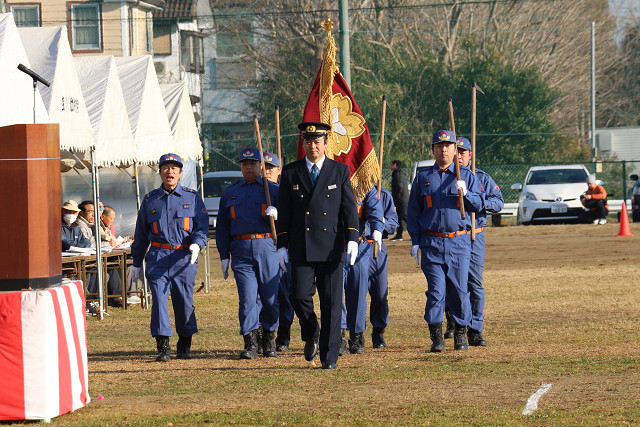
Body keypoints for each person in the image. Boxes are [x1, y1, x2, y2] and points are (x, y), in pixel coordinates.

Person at [276, 121, 359, 370]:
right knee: (299, 296)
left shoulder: (339, 171)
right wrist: (282, 244)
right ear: (303, 144)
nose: (313, 146)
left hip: (331, 247)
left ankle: (329, 357)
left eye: (317, 141)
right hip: (301, 246)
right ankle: (311, 330)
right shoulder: (291, 172)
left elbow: (349, 209)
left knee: (332, 303)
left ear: (325, 144)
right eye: (308, 142)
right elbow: (285, 211)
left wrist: (353, 238)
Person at [406, 130, 482, 353]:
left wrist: (466, 193)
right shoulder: (423, 178)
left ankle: (460, 334)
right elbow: (414, 212)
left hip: (458, 242)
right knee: (436, 291)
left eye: (448, 146)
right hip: (432, 243)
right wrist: (415, 240)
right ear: (433, 150)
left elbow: (478, 204)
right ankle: (436, 336)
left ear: (455, 150)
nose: (444, 150)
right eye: (439, 147)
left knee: (460, 290)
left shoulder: (466, 176)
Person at [131, 153, 208, 362]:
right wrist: (136, 262)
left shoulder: (192, 197)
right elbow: (140, 233)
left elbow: (202, 226)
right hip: (157, 256)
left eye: (174, 168)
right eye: (166, 168)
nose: (170, 171)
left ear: (180, 173)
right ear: (160, 172)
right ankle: (163, 345)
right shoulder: (150, 200)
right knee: (158, 300)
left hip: (184, 257)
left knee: (184, 302)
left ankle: (185, 342)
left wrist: (197, 244)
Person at [216, 148, 280, 359]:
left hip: (267, 246)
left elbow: (289, 221)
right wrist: (224, 254)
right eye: (245, 164)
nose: (249, 168)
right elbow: (223, 226)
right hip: (241, 250)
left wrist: (278, 218)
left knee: (270, 298)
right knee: (247, 299)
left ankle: (268, 337)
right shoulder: (231, 193)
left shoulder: (273, 190)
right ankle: (250, 342)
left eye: (253, 164)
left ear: (261, 165)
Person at [445, 137, 504, 346]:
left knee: (474, 284)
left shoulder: (481, 178)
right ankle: (454, 322)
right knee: (451, 283)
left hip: (474, 234)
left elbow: (498, 203)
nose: (459, 156)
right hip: (453, 237)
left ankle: (475, 329)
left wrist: (476, 202)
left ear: (470, 155)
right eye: (457, 151)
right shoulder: (444, 177)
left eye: (464, 152)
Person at [342, 186, 383, 354]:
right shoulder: (327, 179)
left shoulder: (365, 186)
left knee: (358, 293)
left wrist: (378, 229)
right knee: (334, 293)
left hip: (359, 245)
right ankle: (338, 335)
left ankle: (356, 335)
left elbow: (374, 209)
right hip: (331, 246)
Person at [263, 151, 295, 352]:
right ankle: (265, 335)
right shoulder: (256, 191)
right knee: (263, 295)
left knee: (285, 294)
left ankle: (284, 334)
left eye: (270, 168)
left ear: (278, 170)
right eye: (263, 168)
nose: (266, 172)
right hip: (262, 250)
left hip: (283, 249)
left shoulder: (285, 191)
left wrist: (280, 215)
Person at [367, 187, 399, 348]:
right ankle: (351, 333)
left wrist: (381, 223)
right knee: (351, 294)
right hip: (351, 245)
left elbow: (393, 224)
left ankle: (378, 331)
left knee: (379, 292)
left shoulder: (383, 194)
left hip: (375, 246)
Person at [390, 160, 409, 241]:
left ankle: (416, 233)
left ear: (394, 165)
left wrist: (397, 196)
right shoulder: (398, 172)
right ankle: (399, 234)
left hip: (401, 199)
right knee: (400, 217)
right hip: (401, 198)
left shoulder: (398, 172)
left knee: (405, 217)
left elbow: (399, 185)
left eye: (391, 165)